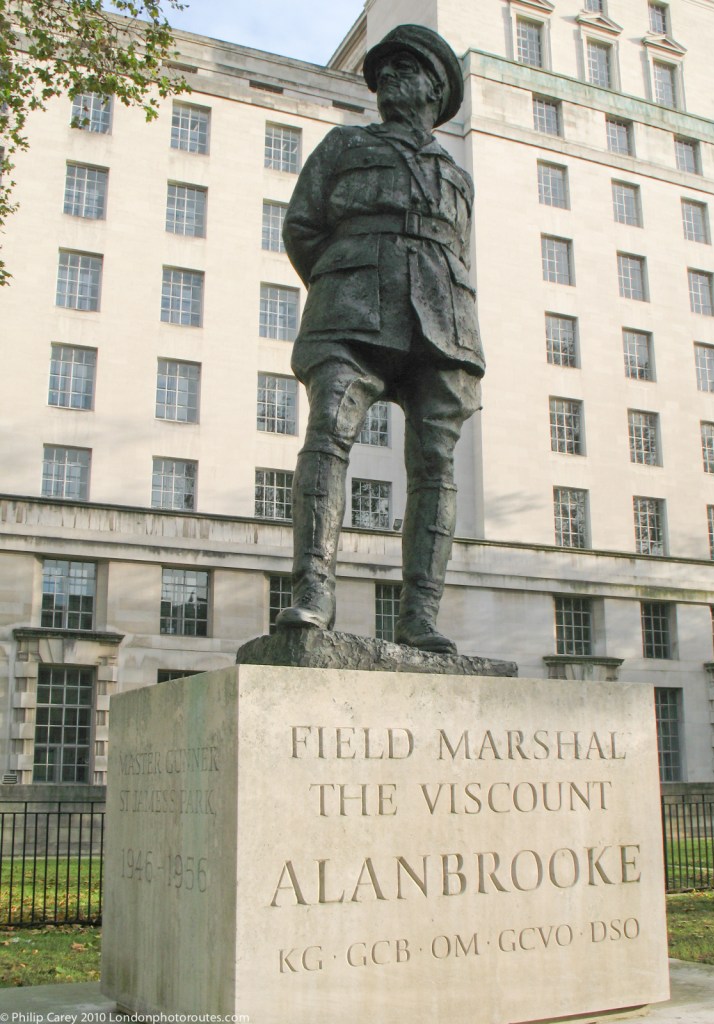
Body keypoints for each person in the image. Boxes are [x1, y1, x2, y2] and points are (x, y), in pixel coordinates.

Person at [276, 23, 484, 655]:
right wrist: (352, 273)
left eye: (404, 68)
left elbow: (457, 248)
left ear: (434, 88)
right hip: (352, 306)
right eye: (383, 69)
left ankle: (420, 616)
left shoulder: (456, 174)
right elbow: (302, 229)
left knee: (435, 464)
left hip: (442, 323)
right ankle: (314, 592)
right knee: (328, 434)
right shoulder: (343, 144)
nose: (388, 78)